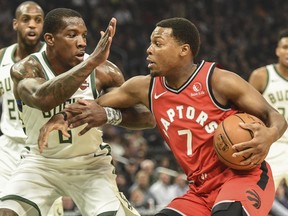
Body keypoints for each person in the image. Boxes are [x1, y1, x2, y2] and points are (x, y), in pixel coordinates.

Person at [40, 17, 287, 215]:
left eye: (158, 43)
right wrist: (59, 118)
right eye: (150, 43)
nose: (149, 50)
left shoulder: (218, 80)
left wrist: (269, 135)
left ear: (183, 50)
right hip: (200, 191)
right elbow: (92, 105)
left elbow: (274, 116)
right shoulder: (144, 87)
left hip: (243, 178)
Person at [0, 8, 154, 216]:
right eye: (72, 35)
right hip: (40, 164)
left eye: (83, 36)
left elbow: (147, 116)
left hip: (91, 164)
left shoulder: (104, 71)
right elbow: (43, 99)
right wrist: (90, 63)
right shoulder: (26, 69)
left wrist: (109, 114)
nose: (82, 42)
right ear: (50, 39)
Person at [0, 2, 63, 216]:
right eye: (26, 19)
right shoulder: (1, 58)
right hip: (8, 149)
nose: (32, 25)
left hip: (44, 149)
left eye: (38, 20)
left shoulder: (56, 59)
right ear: (15, 24)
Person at [249, 28, 288, 215]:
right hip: (272, 144)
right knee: (257, 201)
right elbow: (246, 111)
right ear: (277, 50)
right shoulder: (262, 76)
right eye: (285, 47)